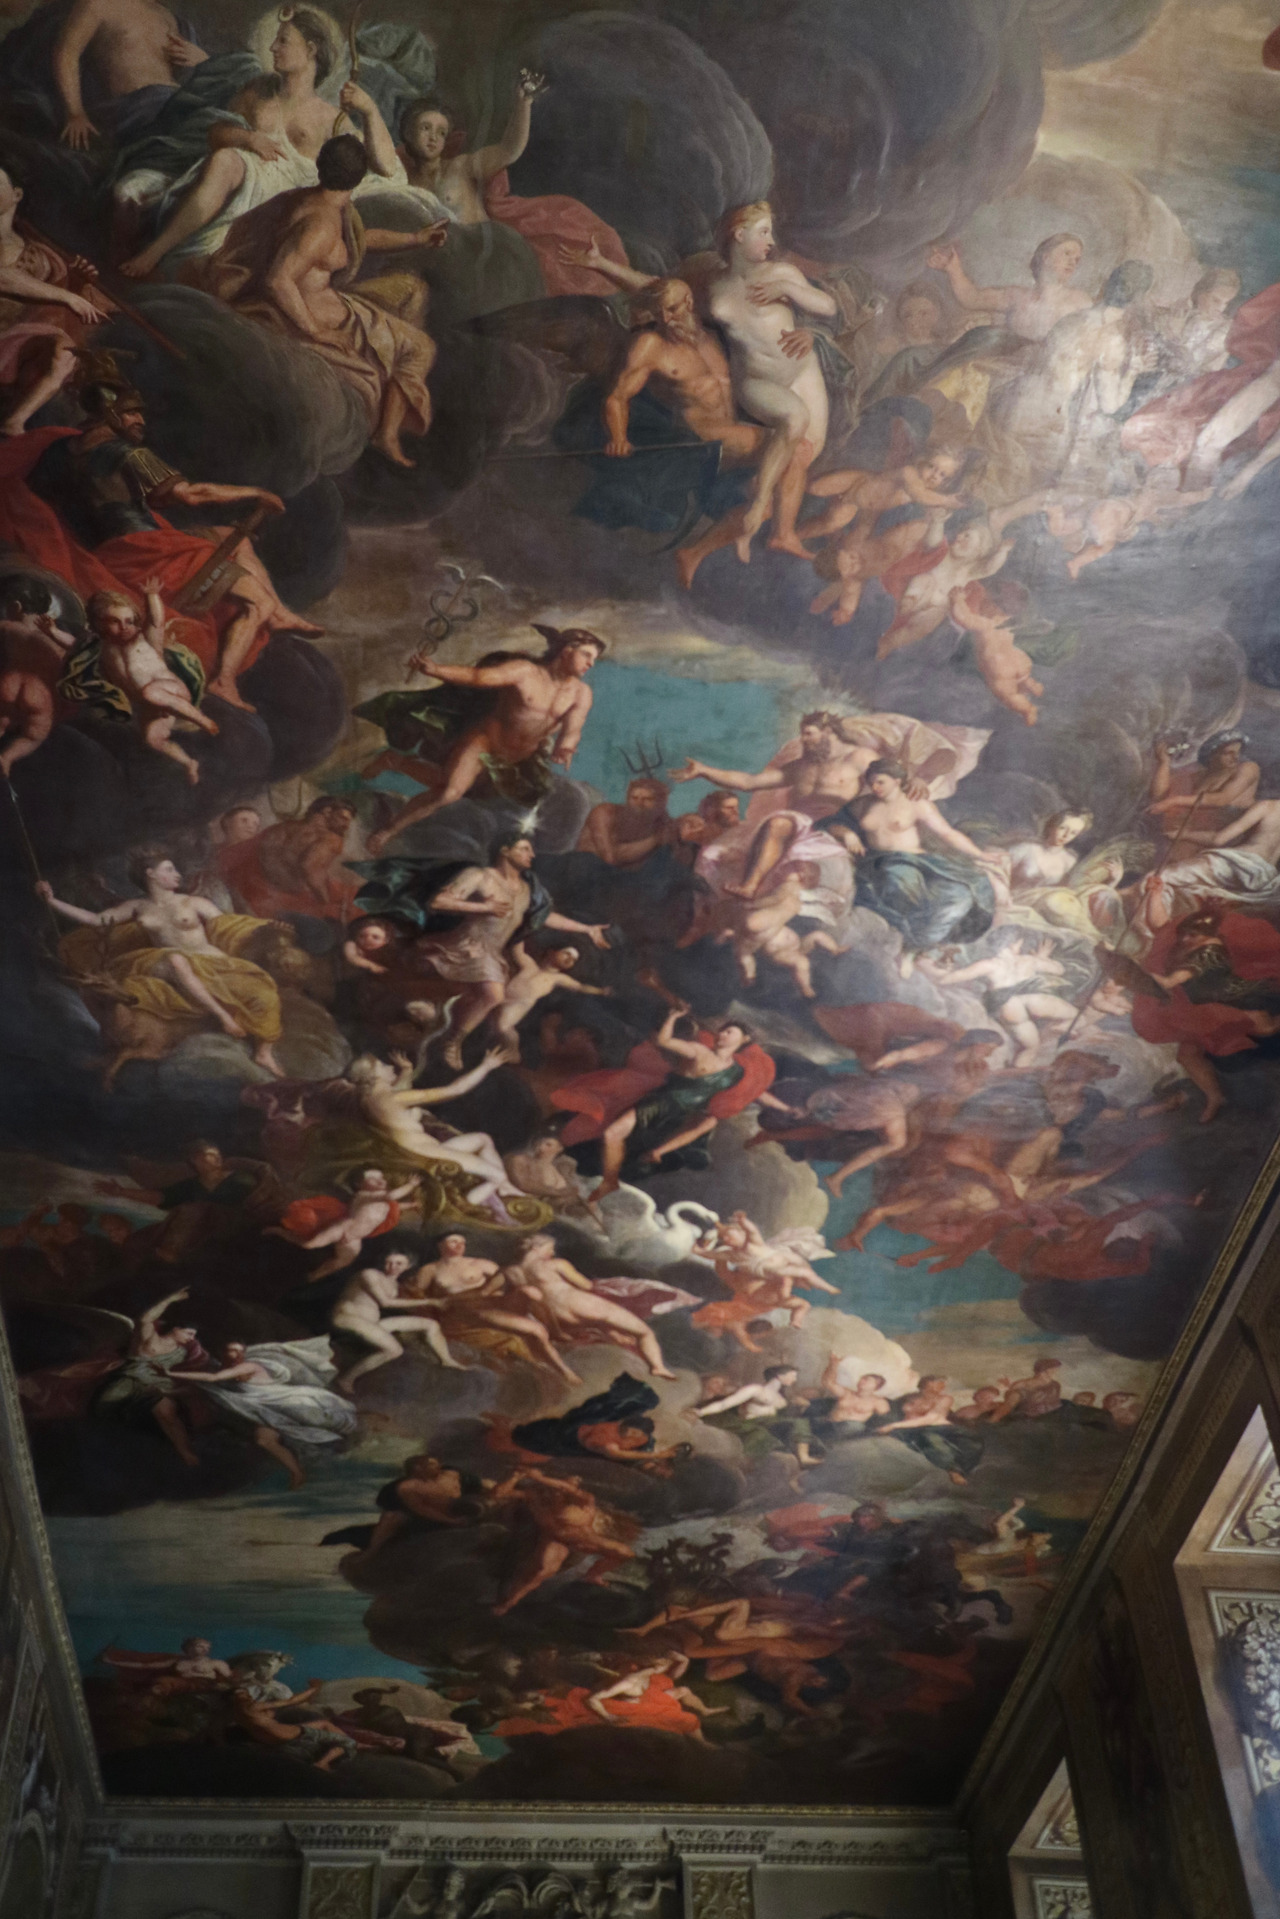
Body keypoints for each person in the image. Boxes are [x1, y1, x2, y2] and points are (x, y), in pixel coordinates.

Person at [19, 371, 308, 708]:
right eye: (132, 412)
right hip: (148, 553)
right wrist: (256, 493)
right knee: (258, 603)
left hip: (107, 555)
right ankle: (224, 681)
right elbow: (191, 494)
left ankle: (280, 615)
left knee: (232, 537)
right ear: (109, 413)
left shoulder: (57, 453)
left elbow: (41, 500)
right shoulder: (127, 454)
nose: (141, 420)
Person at [199, 135, 445, 468]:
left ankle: (387, 427)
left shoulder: (319, 203)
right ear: (359, 177)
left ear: (321, 166)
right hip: (311, 315)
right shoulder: (321, 224)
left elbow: (357, 241)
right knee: (421, 347)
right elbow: (278, 280)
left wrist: (416, 238)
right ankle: (386, 434)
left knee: (407, 298)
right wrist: (315, 331)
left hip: (331, 304)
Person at [120, 10, 403, 278]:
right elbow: (215, 134)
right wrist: (249, 138)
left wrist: (369, 110)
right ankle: (155, 251)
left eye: (283, 41)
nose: (273, 48)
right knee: (225, 160)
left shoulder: (331, 118)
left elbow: (386, 167)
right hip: (236, 184)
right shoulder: (257, 91)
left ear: (311, 50)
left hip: (283, 204)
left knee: (227, 165)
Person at [37, 849, 285, 1074]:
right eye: (169, 869)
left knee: (263, 991)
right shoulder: (138, 907)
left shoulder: (193, 902)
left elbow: (230, 926)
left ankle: (264, 1053)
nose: (177, 874)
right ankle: (222, 1016)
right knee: (174, 960)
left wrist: (266, 928)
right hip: (169, 964)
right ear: (151, 874)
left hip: (212, 963)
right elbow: (96, 920)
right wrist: (51, 901)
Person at [363, 628, 606, 850]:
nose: (590, 663)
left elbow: (573, 728)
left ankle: (395, 761)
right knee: (449, 793)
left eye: (593, 659)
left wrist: (566, 746)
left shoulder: (581, 693)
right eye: (586, 655)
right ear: (567, 651)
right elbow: (477, 677)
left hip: (517, 762)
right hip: (484, 743)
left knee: (449, 784)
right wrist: (436, 670)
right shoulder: (526, 672)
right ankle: (388, 831)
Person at [385, 835, 609, 1068]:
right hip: (466, 944)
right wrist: (484, 907)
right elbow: (439, 902)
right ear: (505, 850)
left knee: (489, 996)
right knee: (489, 994)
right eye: (524, 849)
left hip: (491, 954)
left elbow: (546, 917)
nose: (531, 855)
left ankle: (453, 1038)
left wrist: (586, 929)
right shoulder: (480, 876)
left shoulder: (527, 890)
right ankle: (449, 1037)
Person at [670, 708, 931, 904]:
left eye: (809, 734)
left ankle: (750, 886)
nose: (803, 740)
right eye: (802, 734)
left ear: (828, 731)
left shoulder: (858, 758)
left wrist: (917, 779)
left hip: (831, 827)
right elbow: (749, 782)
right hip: (795, 827)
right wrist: (704, 770)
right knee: (720, 852)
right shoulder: (799, 767)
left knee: (779, 822)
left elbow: (890, 777)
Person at [399, 81, 628, 297]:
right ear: (409, 133)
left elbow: (510, 149)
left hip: (487, 256)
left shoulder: (461, 167)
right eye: (426, 128)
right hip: (447, 265)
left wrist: (523, 103)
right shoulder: (403, 182)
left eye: (441, 132)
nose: (433, 138)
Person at [553, 1003, 781, 1195]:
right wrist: (672, 1017)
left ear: (744, 1039)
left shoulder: (738, 1071)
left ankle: (616, 1177)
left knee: (645, 1152)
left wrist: (784, 1108)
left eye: (729, 1032)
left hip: (684, 1116)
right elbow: (664, 1041)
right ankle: (609, 1181)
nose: (722, 1034)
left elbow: (753, 1093)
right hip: (660, 1104)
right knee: (612, 1133)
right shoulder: (699, 1051)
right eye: (722, 1031)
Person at [834, 758, 1001, 975]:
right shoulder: (863, 804)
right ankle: (910, 946)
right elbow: (832, 823)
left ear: (897, 781)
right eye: (871, 782)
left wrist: (980, 854)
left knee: (959, 894)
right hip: (881, 863)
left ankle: (916, 946)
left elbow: (948, 833)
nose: (875, 787)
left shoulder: (915, 804)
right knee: (900, 883)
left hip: (920, 861)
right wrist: (847, 833)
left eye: (881, 782)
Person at [598, 276, 765, 470]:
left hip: (733, 432)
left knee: (788, 452)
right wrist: (619, 439)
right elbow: (617, 398)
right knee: (781, 443)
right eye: (658, 313)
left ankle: (759, 491)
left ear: (689, 302)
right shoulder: (652, 345)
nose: (665, 319)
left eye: (672, 309)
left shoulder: (713, 337)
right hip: (696, 442)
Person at [0, 167, 108, 436]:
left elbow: (52, 311)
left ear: (17, 194)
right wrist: (68, 296)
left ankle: (15, 421)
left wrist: (78, 282)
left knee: (64, 350)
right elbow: (4, 277)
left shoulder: (43, 255)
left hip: (15, 342)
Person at [345, 1048, 520, 1208]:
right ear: (373, 1075)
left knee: (483, 1139)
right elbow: (455, 1089)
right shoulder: (393, 1099)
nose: (390, 1067)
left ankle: (505, 1188)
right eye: (383, 1066)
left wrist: (406, 1071)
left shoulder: (370, 1100)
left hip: (421, 1151)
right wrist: (486, 1066)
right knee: (497, 1175)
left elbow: (398, 1100)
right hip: (427, 1155)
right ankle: (467, 1204)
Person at [174, 1336, 356, 1488]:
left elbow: (212, 1378)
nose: (236, 1354)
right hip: (269, 1412)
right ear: (223, 1353)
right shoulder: (227, 1371)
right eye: (231, 1350)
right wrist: (172, 1390)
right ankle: (297, 1473)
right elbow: (208, 1387)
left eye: (239, 1350)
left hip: (289, 1402)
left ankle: (354, 1436)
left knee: (329, 1420)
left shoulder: (248, 1366)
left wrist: (170, 1373)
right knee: (265, 1440)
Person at [87, 578, 219, 783]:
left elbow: (156, 621)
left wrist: (151, 596)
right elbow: (73, 645)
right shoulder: (103, 649)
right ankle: (189, 763)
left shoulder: (144, 639)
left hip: (172, 691)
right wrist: (52, 632)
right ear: (100, 623)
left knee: (150, 692)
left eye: (129, 621)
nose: (124, 627)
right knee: (152, 739)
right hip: (150, 705)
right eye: (115, 621)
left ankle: (201, 719)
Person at [401, 1232, 582, 1382]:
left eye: (462, 1242)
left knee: (530, 1291)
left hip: (490, 1301)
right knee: (534, 1330)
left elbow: (505, 1282)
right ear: (440, 1245)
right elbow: (417, 1295)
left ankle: (556, 1331)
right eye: (453, 1241)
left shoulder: (480, 1263)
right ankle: (564, 1371)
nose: (459, 1246)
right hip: (463, 1310)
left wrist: (499, 1293)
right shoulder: (430, 1270)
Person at [504, 1234, 677, 1379]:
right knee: (644, 1332)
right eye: (550, 1248)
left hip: (556, 1317)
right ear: (536, 1248)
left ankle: (612, 1333)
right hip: (578, 1304)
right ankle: (658, 1367)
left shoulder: (509, 1272)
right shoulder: (555, 1264)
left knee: (601, 1324)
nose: (552, 1252)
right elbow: (586, 1285)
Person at [52, 0, 207, 148]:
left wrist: (202, 59)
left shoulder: (167, 15)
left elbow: (190, 76)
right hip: (137, 107)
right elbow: (67, 54)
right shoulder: (100, 3)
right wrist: (75, 113)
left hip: (177, 101)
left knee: (210, 122)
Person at [491, 1466, 642, 1613]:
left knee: (624, 1553)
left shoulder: (583, 1500)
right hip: (554, 1540)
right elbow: (497, 1494)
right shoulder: (535, 1498)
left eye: (567, 1485)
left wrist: (539, 1477)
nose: (561, 1489)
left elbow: (567, 1488)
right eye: (561, 1484)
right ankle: (508, 1604)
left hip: (585, 1541)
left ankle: (593, 1575)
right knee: (542, 1571)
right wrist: (516, 1477)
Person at [920, 929, 1079, 1066]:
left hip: (1009, 1007)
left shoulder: (990, 964)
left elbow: (948, 979)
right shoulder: (1028, 960)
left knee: (1030, 1048)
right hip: (1034, 1000)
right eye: (1020, 943)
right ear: (1014, 943)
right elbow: (1059, 970)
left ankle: (1016, 1075)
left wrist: (933, 968)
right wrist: (1042, 958)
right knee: (1076, 1016)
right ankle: (1058, 1029)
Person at [91, 1283, 208, 1465]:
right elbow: (145, 1319)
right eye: (189, 1333)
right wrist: (170, 1299)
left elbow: (186, 1372)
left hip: (156, 1386)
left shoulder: (183, 1352)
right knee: (104, 1407)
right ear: (176, 1329)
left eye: (193, 1335)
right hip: (129, 1380)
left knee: (166, 1411)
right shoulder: (149, 1338)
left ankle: (186, 1454)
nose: (191, 1338)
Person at [329, 1251, 468, 1392]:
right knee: (394, 1350)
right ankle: (346, 1379)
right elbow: (385, 1302)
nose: (392, 1267)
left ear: (408, 1266)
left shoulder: (395, 1285)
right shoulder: (369, 1274)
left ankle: (446, 1360)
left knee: (431, 1324)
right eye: (389, 1262)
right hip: (348, 1318)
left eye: (399, 1263)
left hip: (372, 1323)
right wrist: (430, 1301)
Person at [926, 232, 1091, 344]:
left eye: (1077, 259)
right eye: (1067, 253)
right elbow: (972, 298)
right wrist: (953, 268)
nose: (1072, 262)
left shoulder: (1080, 301)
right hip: (1012, 370)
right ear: (1046, 257)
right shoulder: (1016, 296)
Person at [218, 796, 359, 920]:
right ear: (327, 812)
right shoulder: (332, 839)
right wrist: (325, 902)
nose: (346, 826)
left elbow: (243, 852)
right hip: (284, 902)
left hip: (251, 889)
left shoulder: (282, 826)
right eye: (343, 818)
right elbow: (310, 868)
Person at [271, 1166, 419, 1280]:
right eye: (373, 1179)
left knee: (344, 1261)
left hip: (355, 1238)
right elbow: (391, 1195)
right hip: (344, 1228)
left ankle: (315, 1276)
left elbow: (393, 1205)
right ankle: (279, 1232)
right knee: (309, 1245)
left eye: (381, 1178)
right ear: (360, 1184)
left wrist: (411, 1205)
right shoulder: (364, 1195)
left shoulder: (381, 1199)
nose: (380, 1181)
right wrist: (411, 1185)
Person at [725, 862, 840, 997]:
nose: (785, 872)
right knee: (802, 962)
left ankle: (834, 950)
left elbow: (774, 899)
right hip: (779, 952)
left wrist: (754, 904)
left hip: (796, 945)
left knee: (818, 935)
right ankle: (804, 986)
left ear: (800, 875)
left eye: (790, 870)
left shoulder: (789, 887)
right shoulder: (794, 893)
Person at [489, 943, 613, 1059]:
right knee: (491, 1023)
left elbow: (580, 987)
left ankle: (513, 1051)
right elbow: (517, 951)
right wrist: (522, 932)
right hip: (503, 997)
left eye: (573, 960)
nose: (569, 959)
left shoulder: (557, 978)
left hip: (519, 1004)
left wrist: (600, 991)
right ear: (551, 952)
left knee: (503, 1027)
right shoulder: (529, 965)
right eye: (567, 953)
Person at [945, 580, 1044, 725]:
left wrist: (957, 599)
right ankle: (1029, 683)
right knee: (1020, 678)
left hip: (999, 667)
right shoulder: (1007, 624)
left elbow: (964, 618)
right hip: (1019, 660)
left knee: (1007, 695)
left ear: (994, 608)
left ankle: (1027, 709)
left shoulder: (985, 624)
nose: (981, 604)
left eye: (985, 601)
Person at [503, 1131, 602, 1224]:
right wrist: (558, 1192)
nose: (541, 1147)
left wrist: (583, 1204)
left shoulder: (561, 1171)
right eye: (539, 1143)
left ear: (559, 1148)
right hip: (529, 1211)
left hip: (561, 1215)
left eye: (548, 1145)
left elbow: (567, 1199)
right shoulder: (521, 1160)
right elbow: (522, 1184)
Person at [576, 776, 676, 867]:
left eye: (647, 799)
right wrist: (655, 840)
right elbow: (610, 858)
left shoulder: (661, 823)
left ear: (660, 803)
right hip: (589, 869)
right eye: (634, 798)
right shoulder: (605, 813)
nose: (639, 803)